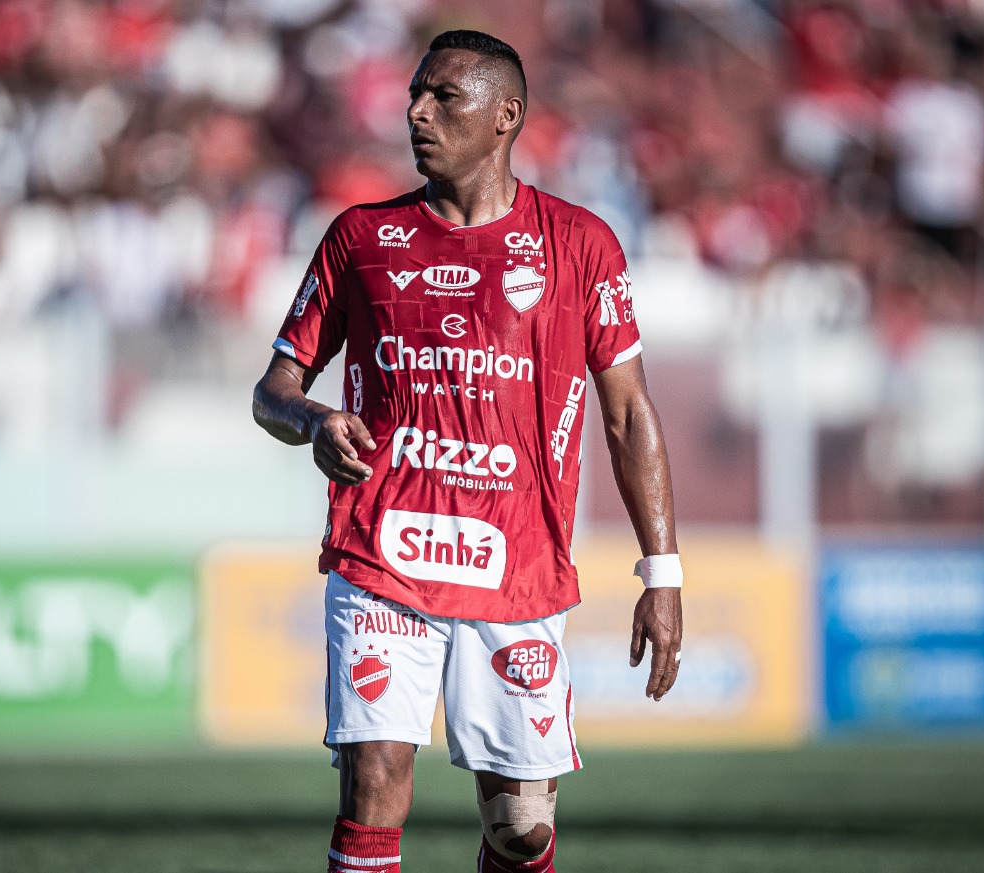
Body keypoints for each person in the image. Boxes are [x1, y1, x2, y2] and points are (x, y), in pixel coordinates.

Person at [252, 29, 683, 873]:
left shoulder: (580, 245)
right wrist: (313, 422)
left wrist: (660, 575)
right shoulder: (359, 238)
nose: (415, 111)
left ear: (505, 117)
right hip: (384, 553)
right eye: (415, 93)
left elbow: (628, 414)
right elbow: (274, 389)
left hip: (518, 568)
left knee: (520, 827)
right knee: (375, 780)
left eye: (442, 96)